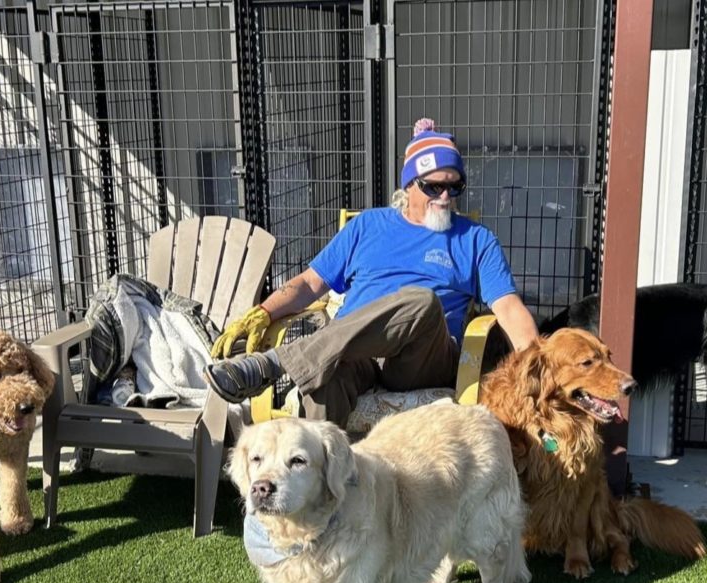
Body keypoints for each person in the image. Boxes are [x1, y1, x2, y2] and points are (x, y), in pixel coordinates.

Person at [203, 118, 539, 429]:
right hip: (355, 354)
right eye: (434, 187)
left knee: (421, 302)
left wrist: (541, 362)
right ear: (410, 185)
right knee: (323, 379)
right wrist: (263, 312)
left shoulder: (475, 239)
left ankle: (276, 363)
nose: (446, 197)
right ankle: (326, 485)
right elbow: (309, 283)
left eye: (454, 187)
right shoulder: (367, 225)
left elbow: (508, 307)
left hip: (421, 360)